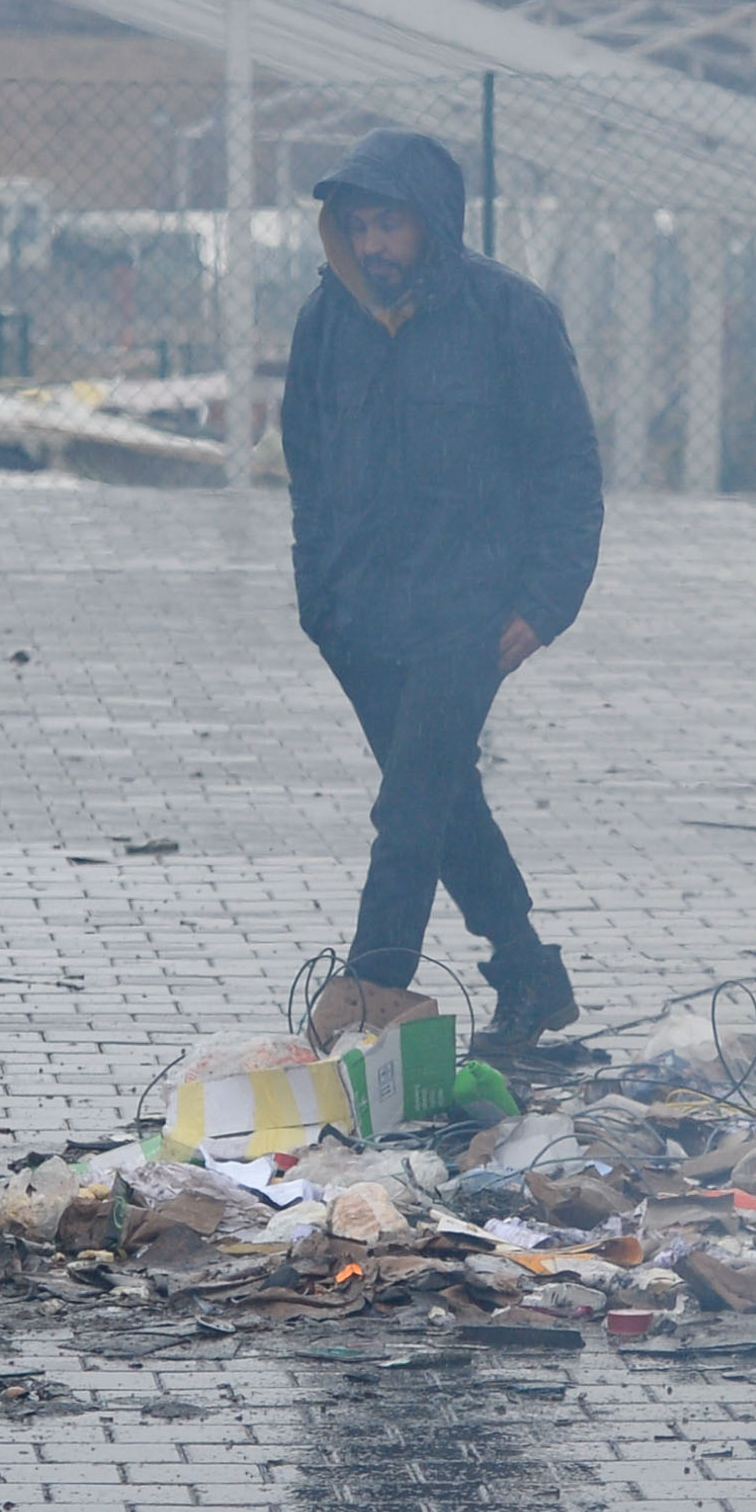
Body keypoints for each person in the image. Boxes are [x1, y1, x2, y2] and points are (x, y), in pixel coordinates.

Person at [278, 127, 605, 1051]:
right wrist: (319, 596)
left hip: (471, 609)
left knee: (412, 802)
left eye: (391, 225)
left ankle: (370, 995)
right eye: (359, 227)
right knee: (442, 795)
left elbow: (568, 470)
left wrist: (547, 601)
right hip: (359, 614)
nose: (374, 245)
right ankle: (529, 974)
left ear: (433, 227)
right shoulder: (326, 320)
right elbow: (303, 458)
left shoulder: (512, 317)